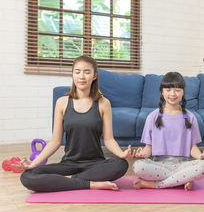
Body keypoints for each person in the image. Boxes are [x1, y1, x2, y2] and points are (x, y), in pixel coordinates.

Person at [16, 55, 135, 192]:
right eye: (77, 72)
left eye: (87, 72)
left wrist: (121, 154)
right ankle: (90, 184)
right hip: (69, 163)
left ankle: (69, 181)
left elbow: (108, 139)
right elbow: (55, 141)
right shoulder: (62, 102)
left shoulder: (103, 103)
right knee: (28, 176)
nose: (82, 76)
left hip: (95, 164)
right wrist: (33, 164)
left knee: (121, 165)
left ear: (95, 76)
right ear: (72, 74)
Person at [132, 72, 204, 190]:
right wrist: (142, 154)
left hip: (182, 165)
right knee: (138, 166)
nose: (173, 94)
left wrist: (201, 156)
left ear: (183, 92)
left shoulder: (191, 118)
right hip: (158, 164)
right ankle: (181, 179)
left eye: (177, 90)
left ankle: (155, 184)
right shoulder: (152, 117)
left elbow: (192, 148)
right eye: (168, 90)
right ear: (162, 91)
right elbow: (148, 147)